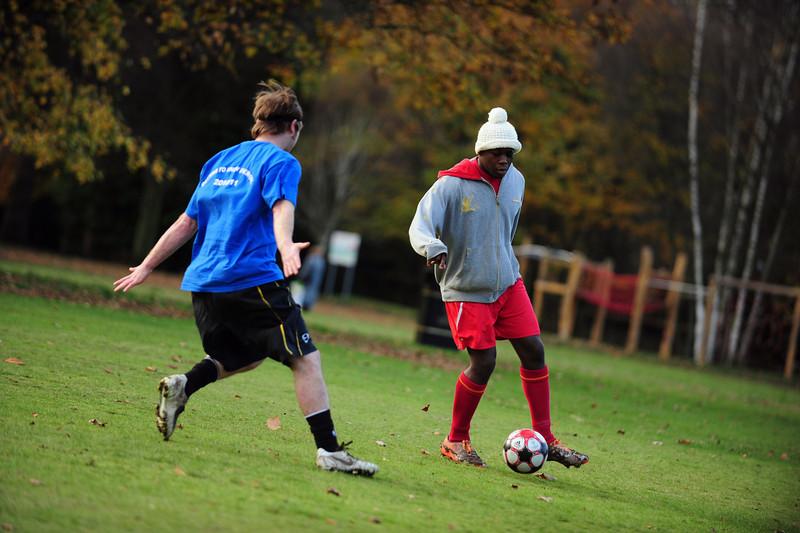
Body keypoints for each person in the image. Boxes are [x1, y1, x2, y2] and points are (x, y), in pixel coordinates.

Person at [114, 80, 378, 476]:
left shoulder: (219, 160)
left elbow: (187, 221)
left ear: (258, 125)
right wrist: (286, 246)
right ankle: (329, 451)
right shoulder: (283, 162)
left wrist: (148, 265)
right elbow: (282, 206)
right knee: (306, 359)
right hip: (249, 278)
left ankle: (183, 385)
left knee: (243, 355)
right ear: (294, 127)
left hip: (204, 285)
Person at [408, 107, 588, 469]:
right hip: (466, 289)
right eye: (498, 153)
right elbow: (419, 226)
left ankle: (547, 440)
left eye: (510, 153)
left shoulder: (517, 181)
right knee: (485, 361)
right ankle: (455, 439)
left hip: (508, 282)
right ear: (481, 152)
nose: (505, 159)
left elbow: (507, 232)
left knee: (534, 351)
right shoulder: (451, 184)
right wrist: (433, 247)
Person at [294, 245, 326, 311]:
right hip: (317, 280)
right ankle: (309, 306)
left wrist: (301, 276)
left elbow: (306, 269)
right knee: (313, 291)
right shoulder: (322, 261)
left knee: (305, 292)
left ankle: (304, 305)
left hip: (308, 279)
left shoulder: (311, 259)